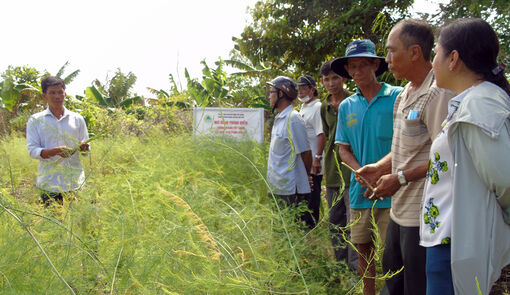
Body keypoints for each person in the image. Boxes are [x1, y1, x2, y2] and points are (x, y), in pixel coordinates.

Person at [356, 19, 455, 295]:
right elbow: (403, 148)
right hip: (398, 212)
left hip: (422, 217)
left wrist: (399, 178)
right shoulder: (405, 93)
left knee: (415, 287)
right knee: (394, 282)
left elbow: (445, 158)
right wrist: (378, 167)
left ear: (414, 52)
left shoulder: (437, 93)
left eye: (391, 51)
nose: (387, 59)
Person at [419, 18, 510, 295]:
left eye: (436, 52)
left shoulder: (480, 104)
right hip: (450, 241)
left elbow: (504, 181)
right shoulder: (469, 101)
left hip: (460, 245)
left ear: (454, 58)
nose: (433, 61)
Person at [332, 39, 402, 295]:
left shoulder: (396, 96)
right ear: (348, 70)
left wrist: (382, 172)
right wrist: (361, 173)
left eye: (363, 65)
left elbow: (408, 142)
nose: (358, 71)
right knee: (364, 250)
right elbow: (343, 149)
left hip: (393, 190)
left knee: (394, 255)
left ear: (375, 64)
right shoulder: (347, 106)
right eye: (353, 66)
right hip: (360, 192)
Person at [26, 76, 90, 206]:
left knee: (78, 223)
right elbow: (33, 150)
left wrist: (84, 148)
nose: (57, 96)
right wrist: (54, 151)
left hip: (75, 182)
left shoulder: (77, 119)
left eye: (60, 92)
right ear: (44, 96)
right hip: (49, 183)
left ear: (65, 94)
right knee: (54, 222)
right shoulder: (35, 120)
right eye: (52, 93)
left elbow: (86, 148)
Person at [318, 61, 357, 269]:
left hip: (352, 172)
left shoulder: (354, 101)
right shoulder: (324, 106)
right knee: (335, 223)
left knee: (353, 224)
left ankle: (355, 270)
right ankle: (340, 268)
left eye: (334, 78)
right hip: (332, 172)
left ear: (343, 78)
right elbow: (326, 135)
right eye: (326, 79)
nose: (331, 83)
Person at [266, 76, 313, 225]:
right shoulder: (279, 118)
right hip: (277, 187)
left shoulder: (293, 118)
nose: (269, 96)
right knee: (279, 233)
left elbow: (306, 152)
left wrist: (306, 177)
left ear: (281, 93)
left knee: (290, 233)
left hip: (290, 191)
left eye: (271, 92)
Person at [297, 74, 324, 228]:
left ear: (313, 89)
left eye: (304, 88)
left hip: (314, 163)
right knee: (304, 198)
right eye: (299, 88)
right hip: (304, 163)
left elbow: (321, 134)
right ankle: (305, 229)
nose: (300, 92)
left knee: (312, 199)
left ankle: (311, 230)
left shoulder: (318, 107)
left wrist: (317, 158)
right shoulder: (303, 107)